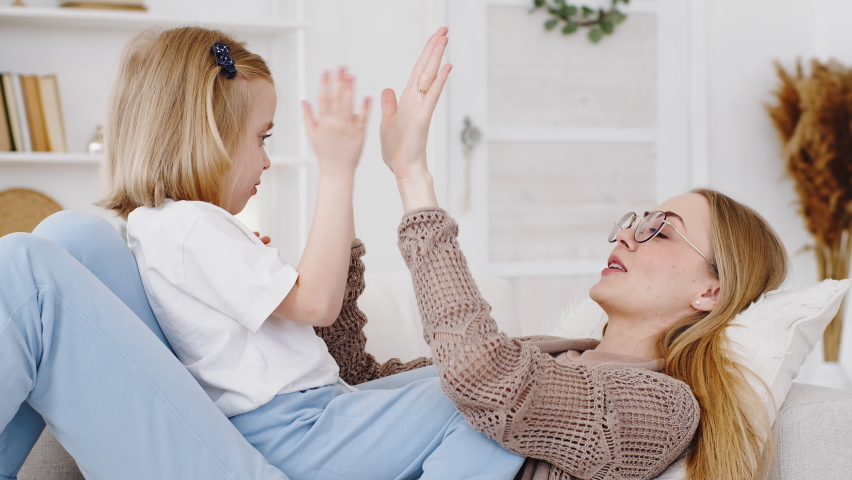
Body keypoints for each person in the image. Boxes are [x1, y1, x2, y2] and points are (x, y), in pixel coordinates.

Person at [0, 26, 524, 480]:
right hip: (298, 432)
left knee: (65, 235)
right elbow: (319, 305)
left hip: (301, 420)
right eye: (261, 139)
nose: (267, 161)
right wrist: (338, 169)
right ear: (207, 139)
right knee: (489, 400)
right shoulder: (190, 226)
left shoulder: (160, 226)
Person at [377, 28, 787, 480]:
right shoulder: (543, 351)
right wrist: (337, 182)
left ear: (710, 293)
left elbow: (482, 377)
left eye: (661, 233)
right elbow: (365, 383)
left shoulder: (662, 407)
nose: (627, 236)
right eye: (636, 222)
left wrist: (412, 176)